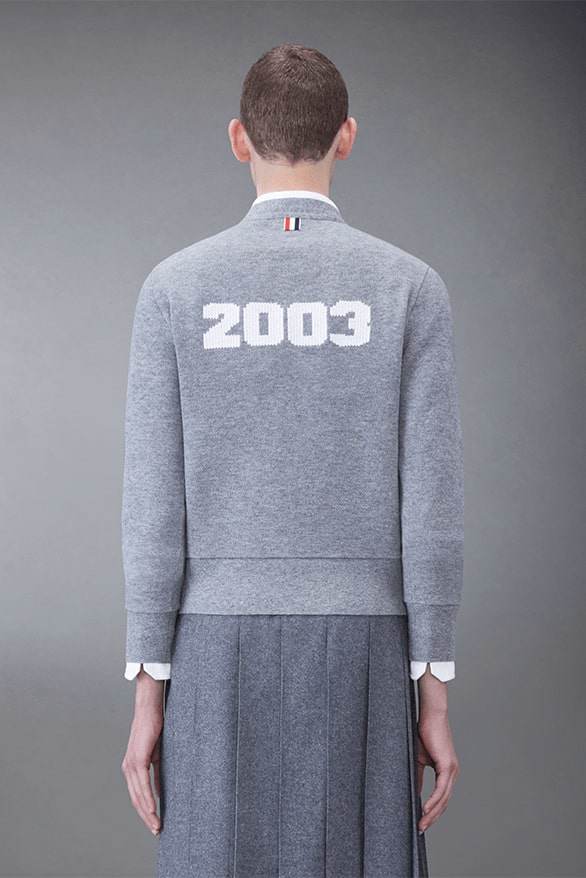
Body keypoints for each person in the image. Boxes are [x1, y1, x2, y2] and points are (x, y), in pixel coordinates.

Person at [120, 43, 463, 878]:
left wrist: (147, 691)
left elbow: (153, 508)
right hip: (366, 643)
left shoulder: (174, 289)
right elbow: (432, 508)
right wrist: (434, 687)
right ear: (346, 136)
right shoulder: (409, 288)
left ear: (239, 138)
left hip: (212, 643)